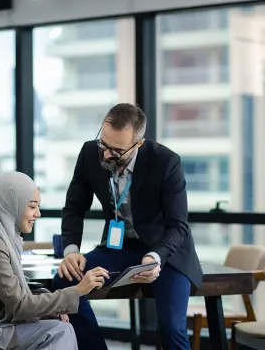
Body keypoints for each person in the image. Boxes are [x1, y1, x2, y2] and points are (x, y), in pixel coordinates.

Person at [52, 103, 203, 350]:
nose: (107, 154)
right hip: (119, 247)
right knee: (64, 281)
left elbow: (178, 226)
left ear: (138, 144)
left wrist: (155, 257)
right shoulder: (90, 152)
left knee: (171, 329)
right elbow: (74, 208)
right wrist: (71, 251)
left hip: (166, 253)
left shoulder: (166, 162)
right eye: (104, 144)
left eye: (117, 150)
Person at [0, 172, 110, 350]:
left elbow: (16, 298)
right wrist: (79, 290)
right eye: (32, 207)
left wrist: (49, 309)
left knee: (61, 329)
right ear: (9, 206)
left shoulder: (5, 240)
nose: (38, 213)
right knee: (59, 331)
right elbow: (20, 305)